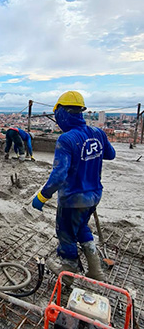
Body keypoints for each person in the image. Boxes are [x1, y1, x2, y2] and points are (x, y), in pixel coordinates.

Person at [31, 91, 115, 281]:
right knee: (82, 226)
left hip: (72, 198)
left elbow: (59, 176)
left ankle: (68, 274)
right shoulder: (98, 133)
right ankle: (95, 270)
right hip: (94, 195)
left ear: (62, 113)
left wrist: (42, 196)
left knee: (66, 233)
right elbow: (111, 154)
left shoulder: (66, 139)